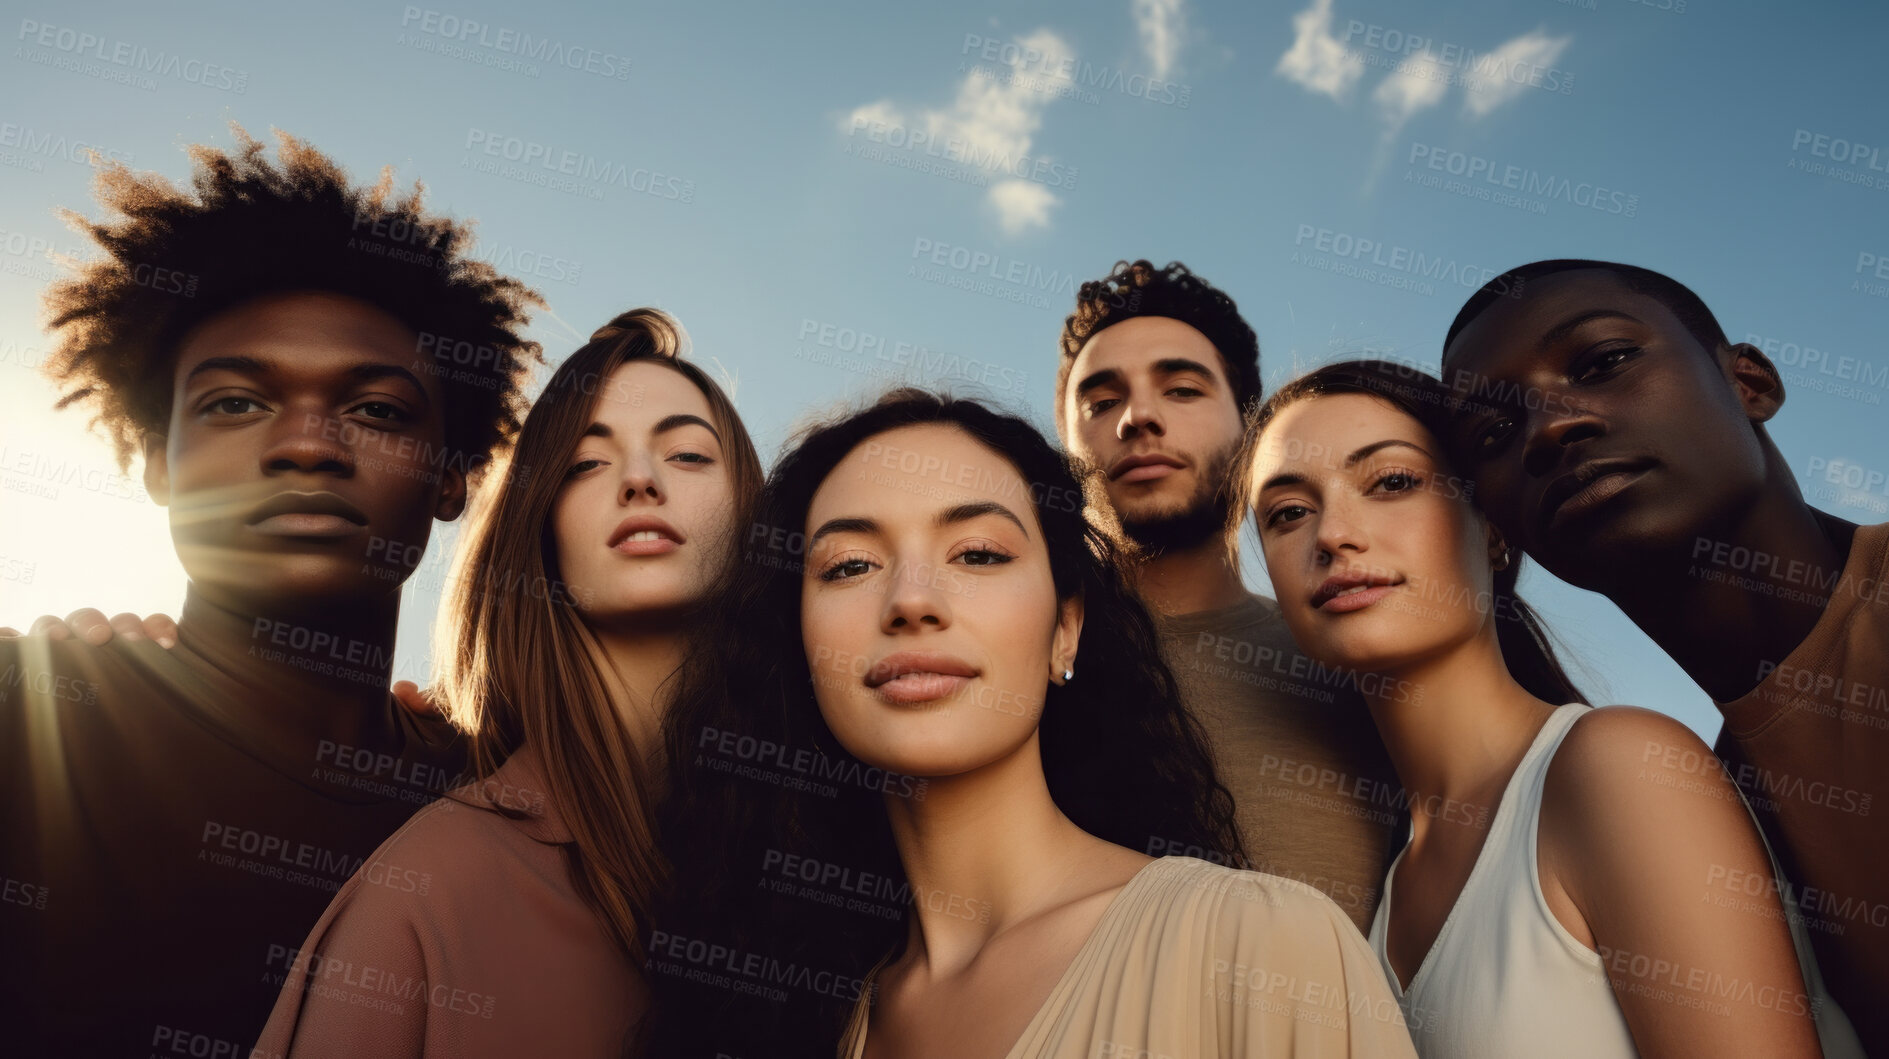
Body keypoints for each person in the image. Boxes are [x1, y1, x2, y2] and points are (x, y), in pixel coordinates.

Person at [645, 389, 1416, 1058]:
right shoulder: (801, 1019)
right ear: (801, 645)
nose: (911, 599)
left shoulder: (1260, 948)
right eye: (849, 565)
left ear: (1065, 630)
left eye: (977, 554)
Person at [0, 126, 542, 1055]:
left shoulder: (513, 792)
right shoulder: (31, 716)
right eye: (234, 403)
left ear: (452, 476)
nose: (306, 445)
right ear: (159, 463)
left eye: (375, 410)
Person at [1239, 359, 1856, 1058]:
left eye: (1392, 481)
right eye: (1287, 513)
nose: (1332, 535)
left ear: (1493, 531)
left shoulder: (1617, 767)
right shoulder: (1380, 899)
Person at [253, 309, 763, 1056]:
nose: (640, 480)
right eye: (586, 463)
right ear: (541, 528)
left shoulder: (830, 857)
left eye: (687, 454)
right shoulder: (430, 890)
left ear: (757, 509)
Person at [1438, 260, 1889, 1053]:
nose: (1548, 427)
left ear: (1749, 383)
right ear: (1494, 528)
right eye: (1491, 434)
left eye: (1602, 362)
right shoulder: (1713, 814)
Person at [1054, 259, 1399, 930]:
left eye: (1181, 389)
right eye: (1100, 402)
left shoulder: (1352, 655)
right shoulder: (1010, 665)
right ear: (1064, 444)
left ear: (1250, 428)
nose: (1138, 418)